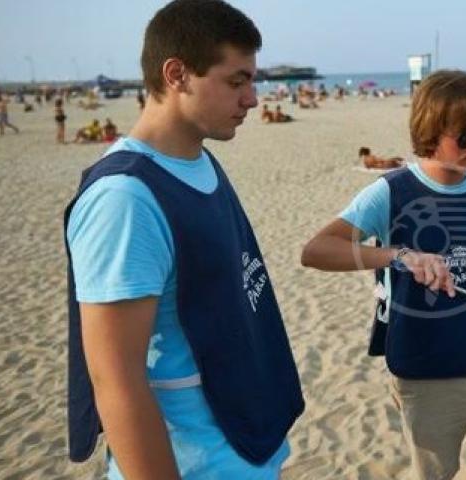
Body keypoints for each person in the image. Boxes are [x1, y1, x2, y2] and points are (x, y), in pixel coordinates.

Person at [63, 1, 305, 478]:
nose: (252, 99)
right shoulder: (125, 198)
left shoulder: (198, 161)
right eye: (236, 82)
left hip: (245, 446)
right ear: (177, 74)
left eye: (252, 82)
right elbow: (116, 378)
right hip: (195, 462)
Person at [301, 70, 466, 480]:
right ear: (432, 132)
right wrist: (399, 255)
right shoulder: (392, 191)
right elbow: (315, 251)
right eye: (465, 136)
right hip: (426, 370)